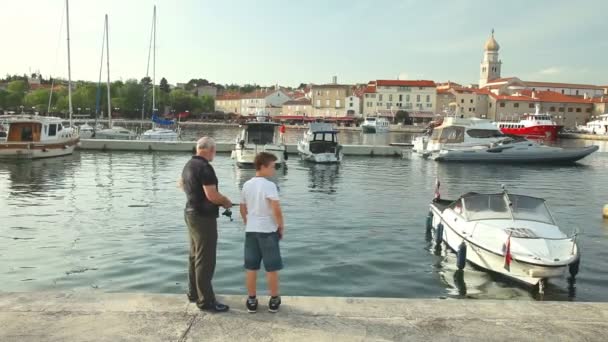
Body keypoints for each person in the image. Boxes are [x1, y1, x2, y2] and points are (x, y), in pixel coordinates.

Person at [181, 137, 232, 313]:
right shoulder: (205, 168)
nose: (215, 154)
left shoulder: (189, 165)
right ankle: (206, 301)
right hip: (203, 218)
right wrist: (225, 201)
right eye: (215, 151)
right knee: (206, 259)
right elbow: (212, 195)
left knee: (194, 256)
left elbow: (181, 185)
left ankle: (193, 293)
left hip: (190, 213)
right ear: (209, 150)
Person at [240, 152, 284, 313]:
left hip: (251, 230)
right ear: (263, 166)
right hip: (268, 231)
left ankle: (251, 300)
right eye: (272, 166)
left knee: (251, 268)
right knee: (271, 268)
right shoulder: (269, 186)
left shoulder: (246, 185)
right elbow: (276, 209)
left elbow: (242, 207)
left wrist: (248, 221)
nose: (274, 169)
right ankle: (274, 300)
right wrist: (281, 226)